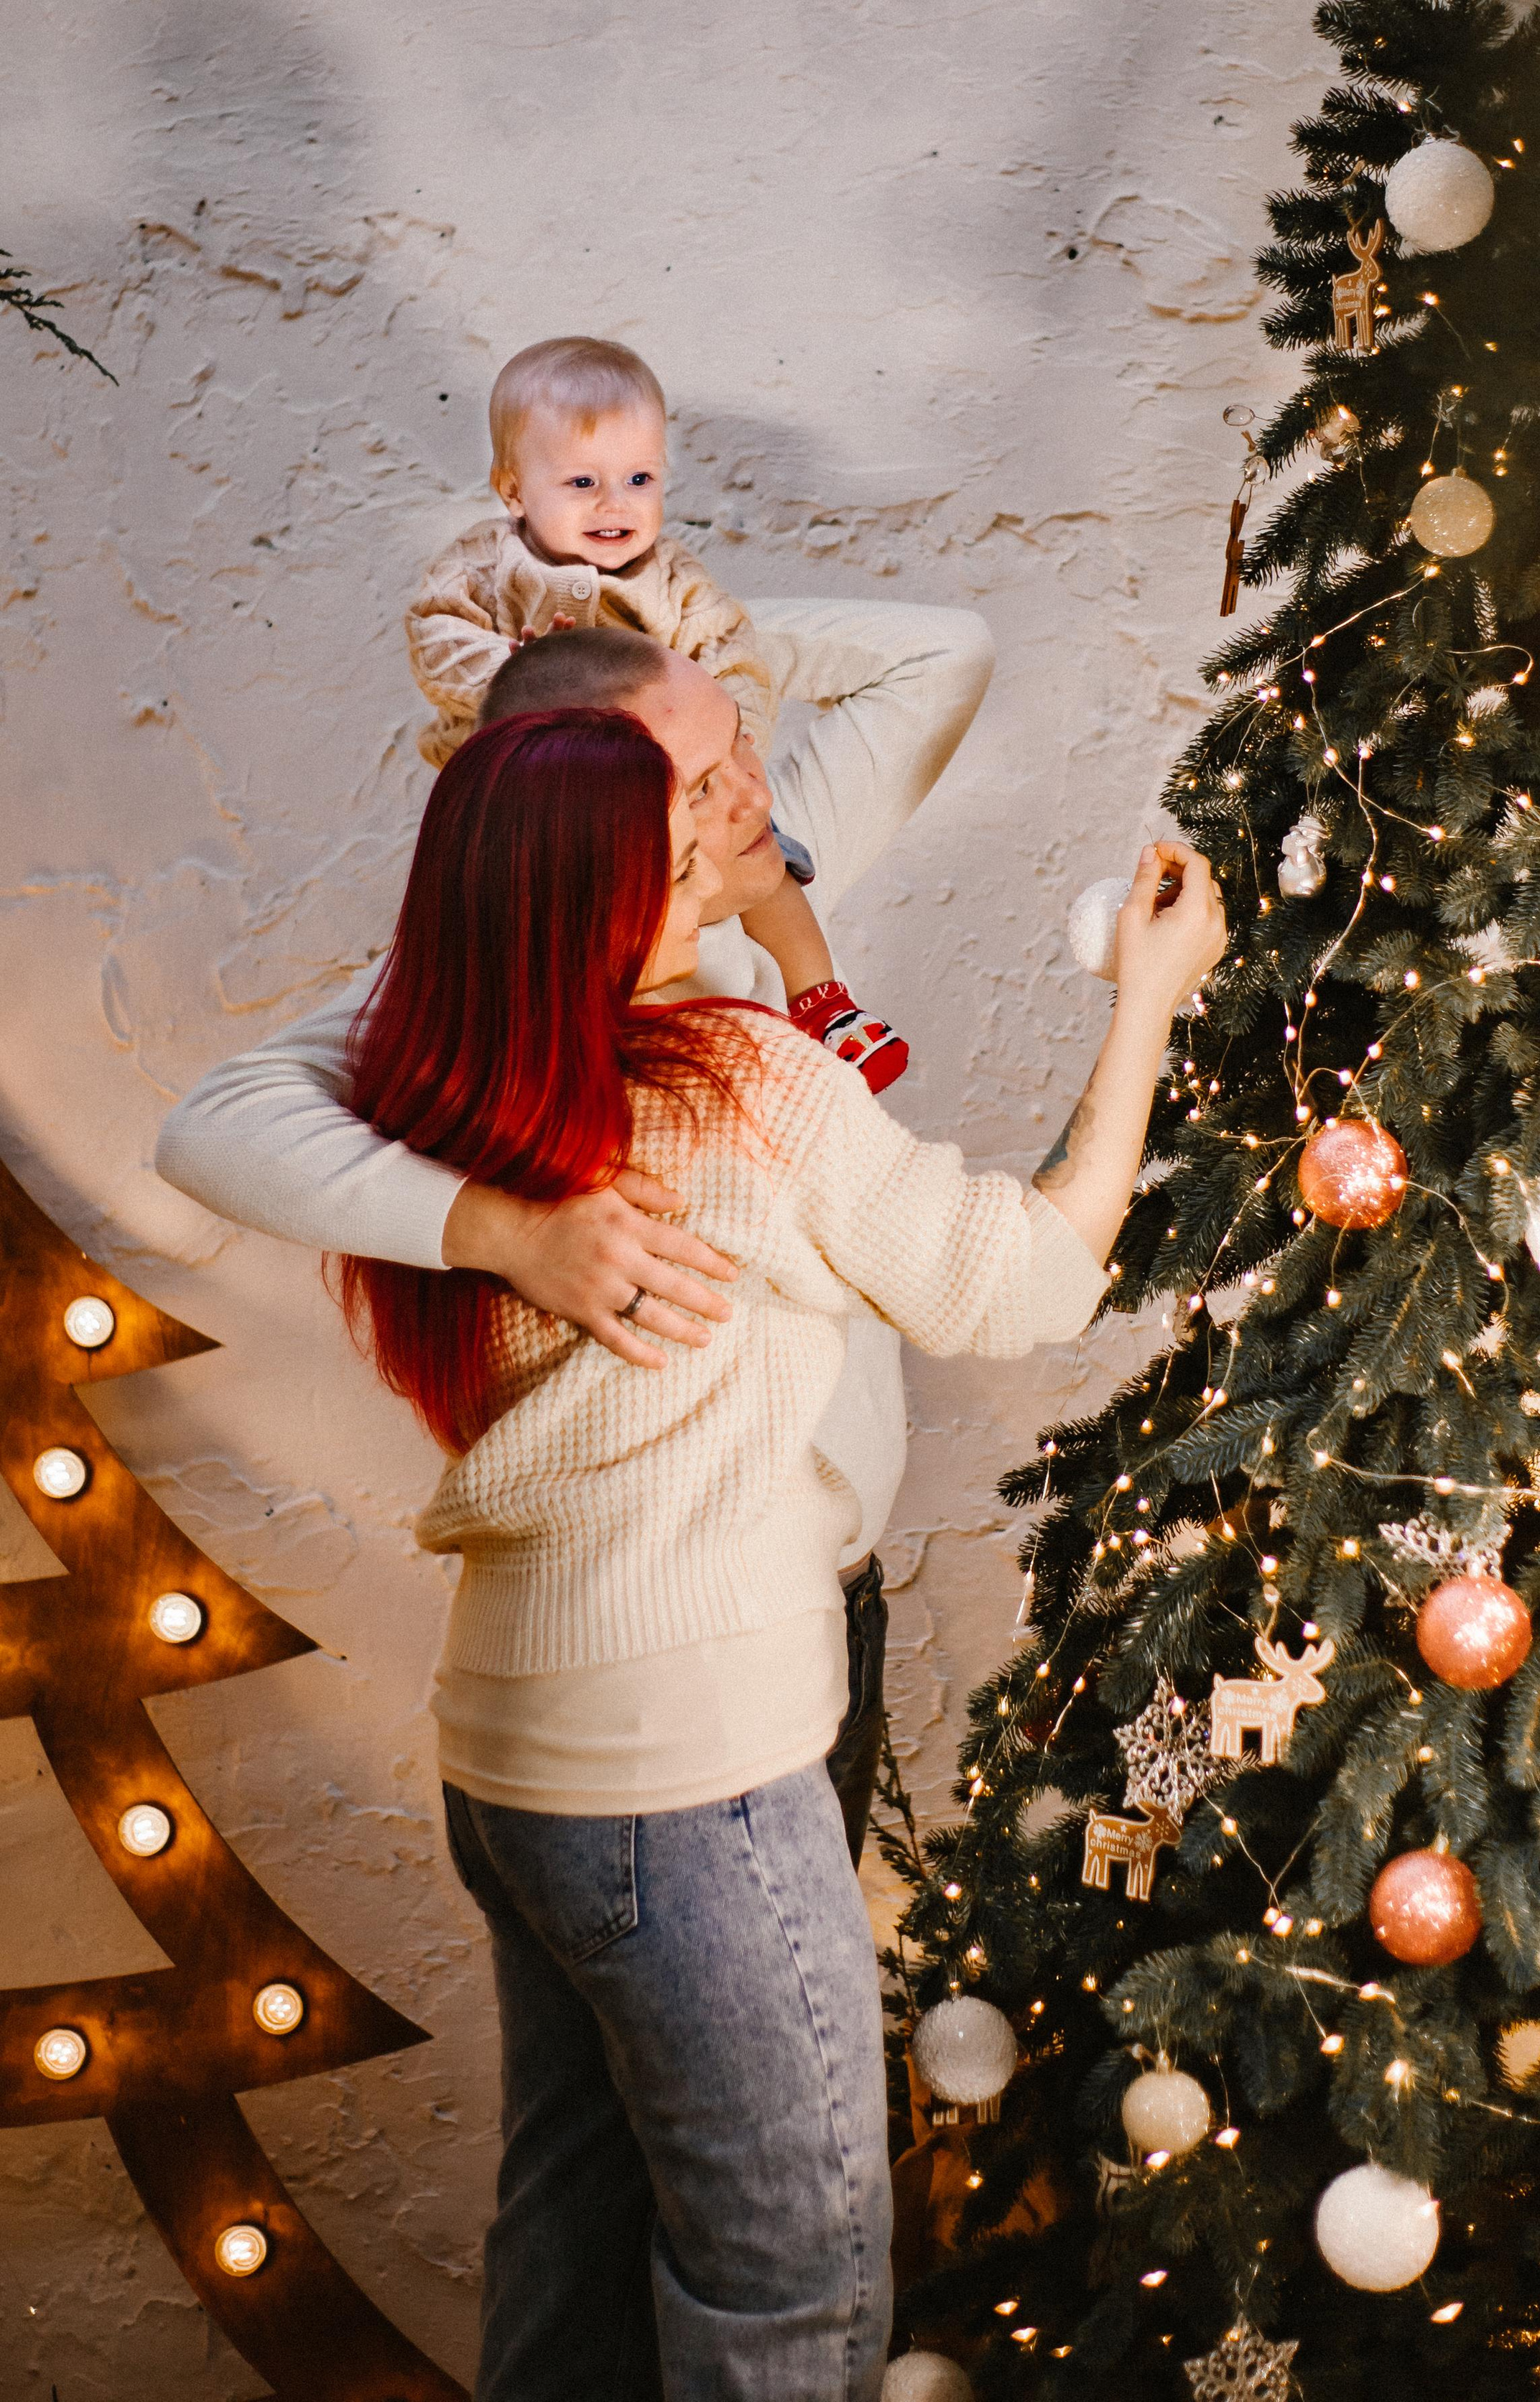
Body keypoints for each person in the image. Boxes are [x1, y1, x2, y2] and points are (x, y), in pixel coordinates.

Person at [330, 698, 1224, 2401]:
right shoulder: (736, 1076)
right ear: (606, 899)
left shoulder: (443, 1071)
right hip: (691, 1785)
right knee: (787, 2282)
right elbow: (1016, 1278)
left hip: (513, 1755)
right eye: (688, 827)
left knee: (575, 2226)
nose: (737, 818)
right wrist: (1145, 1005)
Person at [157, 597, 992, 1866]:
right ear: (590, 827)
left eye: (739, 744)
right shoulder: (504, 991)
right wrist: (503, 1231)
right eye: (698, 784)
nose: (750, 795)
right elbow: (211, 1126)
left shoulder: (755, 854)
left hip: (828, 1603)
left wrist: (695, 622)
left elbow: (949, 650)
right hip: (676, 1654)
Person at [407, 333, 904, 1087]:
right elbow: (434, 638)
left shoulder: (672, 579)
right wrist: (517, 672)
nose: (616, 504)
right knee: (520, 918)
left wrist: (720, 748)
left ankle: (821, 999)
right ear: (513, 490)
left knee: (773, 870)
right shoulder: (483, 570)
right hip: (536, 808)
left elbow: (733, 653)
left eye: (639, 478)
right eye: (581, 483)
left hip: (669, 796)